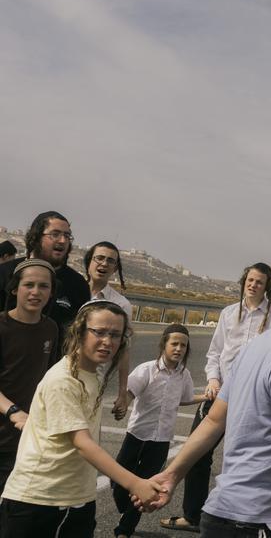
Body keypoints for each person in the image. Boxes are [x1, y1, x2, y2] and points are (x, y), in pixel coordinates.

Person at [144, 257, 271, 538]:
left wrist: (172, 474)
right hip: (262, 521)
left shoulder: (257, 347)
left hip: (221, 515)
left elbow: (214, 420)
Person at [0, 300, 162, 538]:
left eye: (115, 335)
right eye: (99, 332)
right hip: (39, 500)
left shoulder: (91, 373)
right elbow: (82, 443)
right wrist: (135, 483)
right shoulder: (63, 380)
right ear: (79, 331)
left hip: (77, 498)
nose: (107, 341)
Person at [160, 262, 271, 532]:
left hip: (252, 398)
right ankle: (193, 516)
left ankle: (241, 520)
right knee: (198, 453)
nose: (253, 285)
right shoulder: (228, 313)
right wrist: (213, 379)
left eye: (259, 282)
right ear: (243, 282)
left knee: (242, 460)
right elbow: (214, 353)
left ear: (266, 286)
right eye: (249, 280)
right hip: (220, 393)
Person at [112, 323, 206, 538]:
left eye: (183, 345)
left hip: (161, 440)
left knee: (147, 487)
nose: (178, 349)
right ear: (164, 344)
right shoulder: (147, 370)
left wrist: (208, 396)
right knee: (117, 480)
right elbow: (130, 392)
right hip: (137, 435)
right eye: (174, 343)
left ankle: (124, 530)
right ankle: (123, 507)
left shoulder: (185, 375)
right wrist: (123, 403)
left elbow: (186, 398)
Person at [0, 260, 58, 495]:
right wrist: (13, 411)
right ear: (15, 288)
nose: (36, 292)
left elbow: (48, 378)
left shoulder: (51, 329)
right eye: (29, 285)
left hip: (27, 439)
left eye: (43, 286)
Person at [0, 212, 90, 360]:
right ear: (36, 237)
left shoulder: (78, 284)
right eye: (55, 234)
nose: (62, 241)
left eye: (67, 236)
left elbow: (78, 336)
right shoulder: (5, 273)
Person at [83, 241, 134, 422]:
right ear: (89, 261)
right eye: (99, 258)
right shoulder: (72, 291)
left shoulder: (121, 305)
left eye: (110, 261)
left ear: (115, 269)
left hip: (94, 381)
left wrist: (122, 393)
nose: (104, 264)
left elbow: (124, 350)